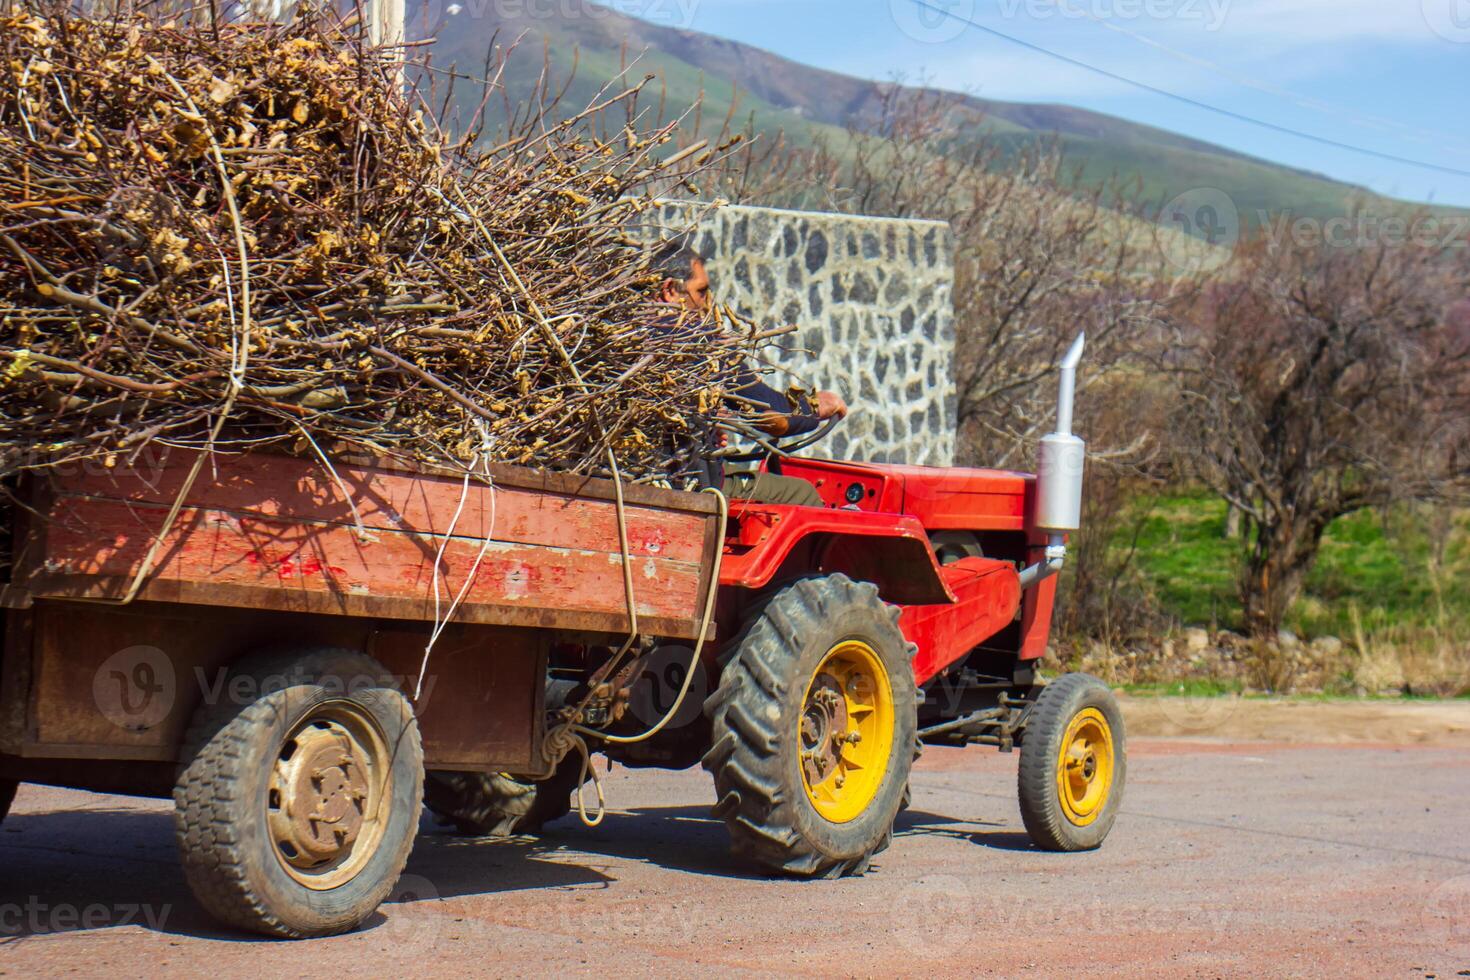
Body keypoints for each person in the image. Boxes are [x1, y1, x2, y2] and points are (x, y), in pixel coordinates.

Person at [651, 241, 847, 506]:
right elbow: (774, 414)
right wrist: (815, 406)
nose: (706, 305)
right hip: (691, 486)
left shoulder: (616, 336)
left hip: (657, 478)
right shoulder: (696, 345)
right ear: (669, 291)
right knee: (803, 493)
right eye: (701, 292)